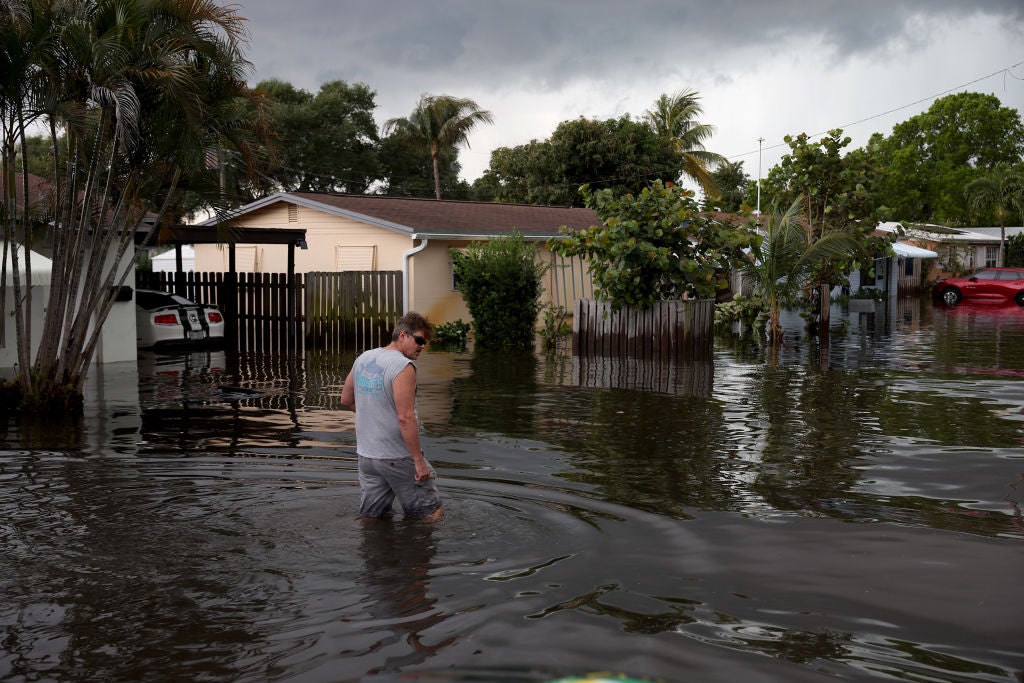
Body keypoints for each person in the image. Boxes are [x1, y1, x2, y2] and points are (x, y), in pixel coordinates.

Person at [341, 312, 443, 521]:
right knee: (431, 514)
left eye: (426, 343)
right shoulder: (403, 367)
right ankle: (418, 551)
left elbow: (346, 400)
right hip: (397, 456)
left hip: (367, 457)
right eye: (420, 340)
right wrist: (418, 461)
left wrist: (375, 418)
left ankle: (371, 552)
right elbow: (405, 417)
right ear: (403, 335)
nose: (422, 346)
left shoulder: (364, 358)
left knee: (372, 517)